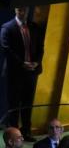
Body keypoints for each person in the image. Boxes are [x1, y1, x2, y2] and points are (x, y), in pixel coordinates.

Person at [1, 8, 43, 140]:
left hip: (31, 71)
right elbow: (6, 48)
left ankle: (26, 132)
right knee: (14, 104)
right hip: (15, 72)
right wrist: (22, 63)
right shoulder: (7, 27)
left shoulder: (34, 26)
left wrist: (36, 62)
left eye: (24, 9)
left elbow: (41, 47)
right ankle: (14, 135)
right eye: (20, 9)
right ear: (15, 10)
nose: (23, 12)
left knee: (27, 103)